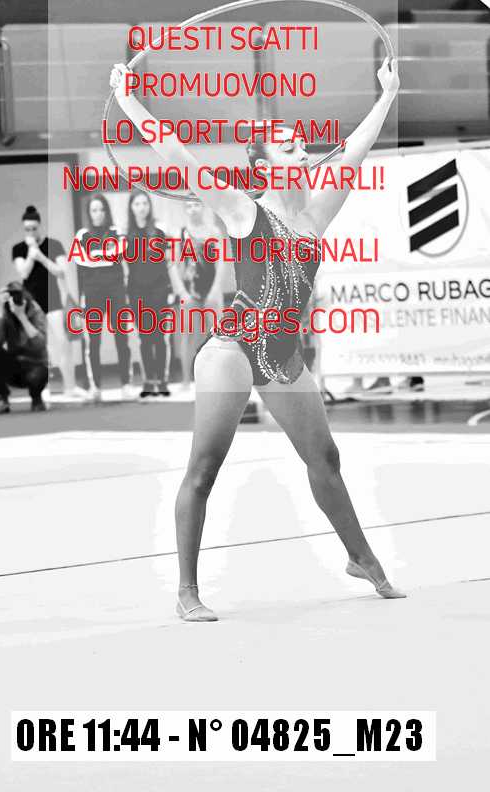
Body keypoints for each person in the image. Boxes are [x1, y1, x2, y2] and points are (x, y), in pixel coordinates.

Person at [110, 57, 406, 622]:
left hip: (283, 354)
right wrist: (129, 102)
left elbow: (354, 152)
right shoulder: (244, 212)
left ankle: (361, 557)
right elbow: (180, 157)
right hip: (235, 349)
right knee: (205, 467)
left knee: (326, 458)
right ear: (264, 165)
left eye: (301, 143)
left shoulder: (314, 219)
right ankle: (187, 591)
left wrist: (388, 94)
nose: (302, 149)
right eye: (288, 146)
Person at [12, 204, 84, 398]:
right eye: (27, 229)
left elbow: (61, 271)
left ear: (40, 226)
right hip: (32, 304)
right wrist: (31, 254)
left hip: (53, 301)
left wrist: (41, 257)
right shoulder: (19, 249)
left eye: (34, 228)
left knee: (63, 343)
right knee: (40, 348)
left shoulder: (54, 245)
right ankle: (43, 388)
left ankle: (70, 386)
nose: (30, 232)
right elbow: (23, 273)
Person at [75, 193, 135, 401]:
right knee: (93, 341)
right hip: (92, 292)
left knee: (121, 337)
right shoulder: (82, 235)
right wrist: (105, 256)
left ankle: (126, 384)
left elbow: (118, 253)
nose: (98, 214)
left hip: (116, 290)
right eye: (94, 210)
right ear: (89, 213)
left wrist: (96, 256)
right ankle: (95, 387)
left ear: (106, 211)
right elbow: (82, 260)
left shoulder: (116, 232)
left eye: (101, 209)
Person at [124, 190, 173, 398]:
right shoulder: (126, 235)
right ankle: (148, 381)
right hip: (137, 292)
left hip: (159, 290)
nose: (141, 207)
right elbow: (125, 267)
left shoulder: (159, 232)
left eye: (145, 203)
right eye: (137, 204)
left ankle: (162, 380)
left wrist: (171, 291)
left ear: (149, 206)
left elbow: (169, 263)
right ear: (131, 207)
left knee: (159, 337)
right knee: (144, 338)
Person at [177, 195, 226, 388]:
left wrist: (216, 289)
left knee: (218, 335)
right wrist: (182, 292)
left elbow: (221, 262)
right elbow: (175, 264)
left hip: (211, 287)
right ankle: (185, 380)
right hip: (190, 290)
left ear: (203, 206)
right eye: (189, 206)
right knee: (188, 334)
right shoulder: (181, 233)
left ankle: (220, 378)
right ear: (184, 209)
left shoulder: (214, 231)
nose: (193, 209)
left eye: (196, 205)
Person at [0, 281, 48, 413]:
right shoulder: (6, 312)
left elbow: (40, 344)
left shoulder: (35, 311)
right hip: (15, 366)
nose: (15, 300)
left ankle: (37, 399)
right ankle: (1, 399)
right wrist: (0, 308)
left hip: (35, 365)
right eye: (12, 296)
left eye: (18, 295)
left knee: (38, 374)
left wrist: (22, 317)